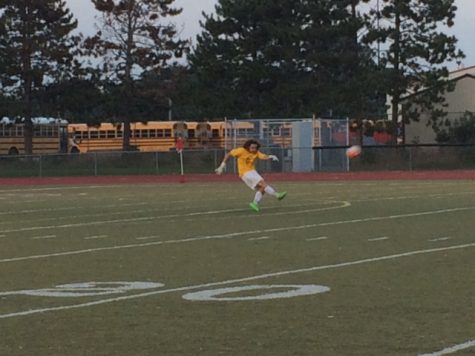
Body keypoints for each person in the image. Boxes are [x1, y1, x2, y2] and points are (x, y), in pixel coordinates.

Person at [215, 139, 287, 212]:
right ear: (247, 147)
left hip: (252, 172)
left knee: (262, 189)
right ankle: (277, 195)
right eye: (252, 148)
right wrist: (222, 166)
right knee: (262, 182)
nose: (254, 149)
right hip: (245, 172)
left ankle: (254, 203)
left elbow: (262, 156)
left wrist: (270, 156)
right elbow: (229, 154)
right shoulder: (241, 150)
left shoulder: (256, 152)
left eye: (255, 148)